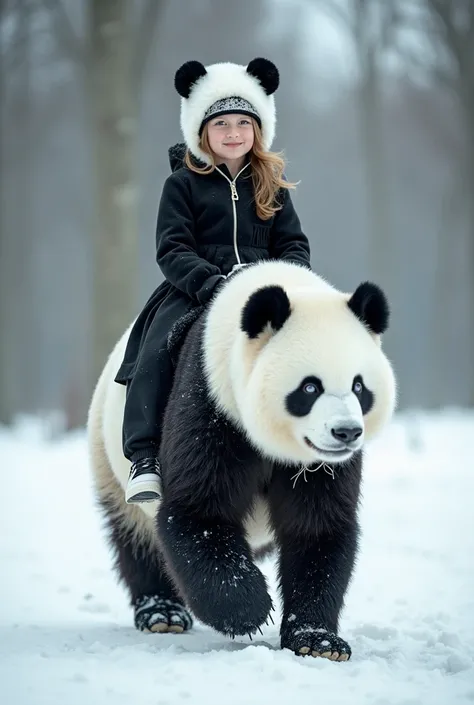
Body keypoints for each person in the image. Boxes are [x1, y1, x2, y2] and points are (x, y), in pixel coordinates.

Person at [115, 57, 312, 504]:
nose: (233, 132)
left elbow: (295, 246)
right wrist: (212, 282)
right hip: (195, 289)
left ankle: (306, 442)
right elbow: (172, 249)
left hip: (268, 292)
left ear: (259, 128)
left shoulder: (272, 183)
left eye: (244, 121)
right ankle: (144, 456)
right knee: (154, 353)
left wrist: (282, 280)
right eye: (221, 123)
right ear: (201, 130)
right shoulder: (182, 185)